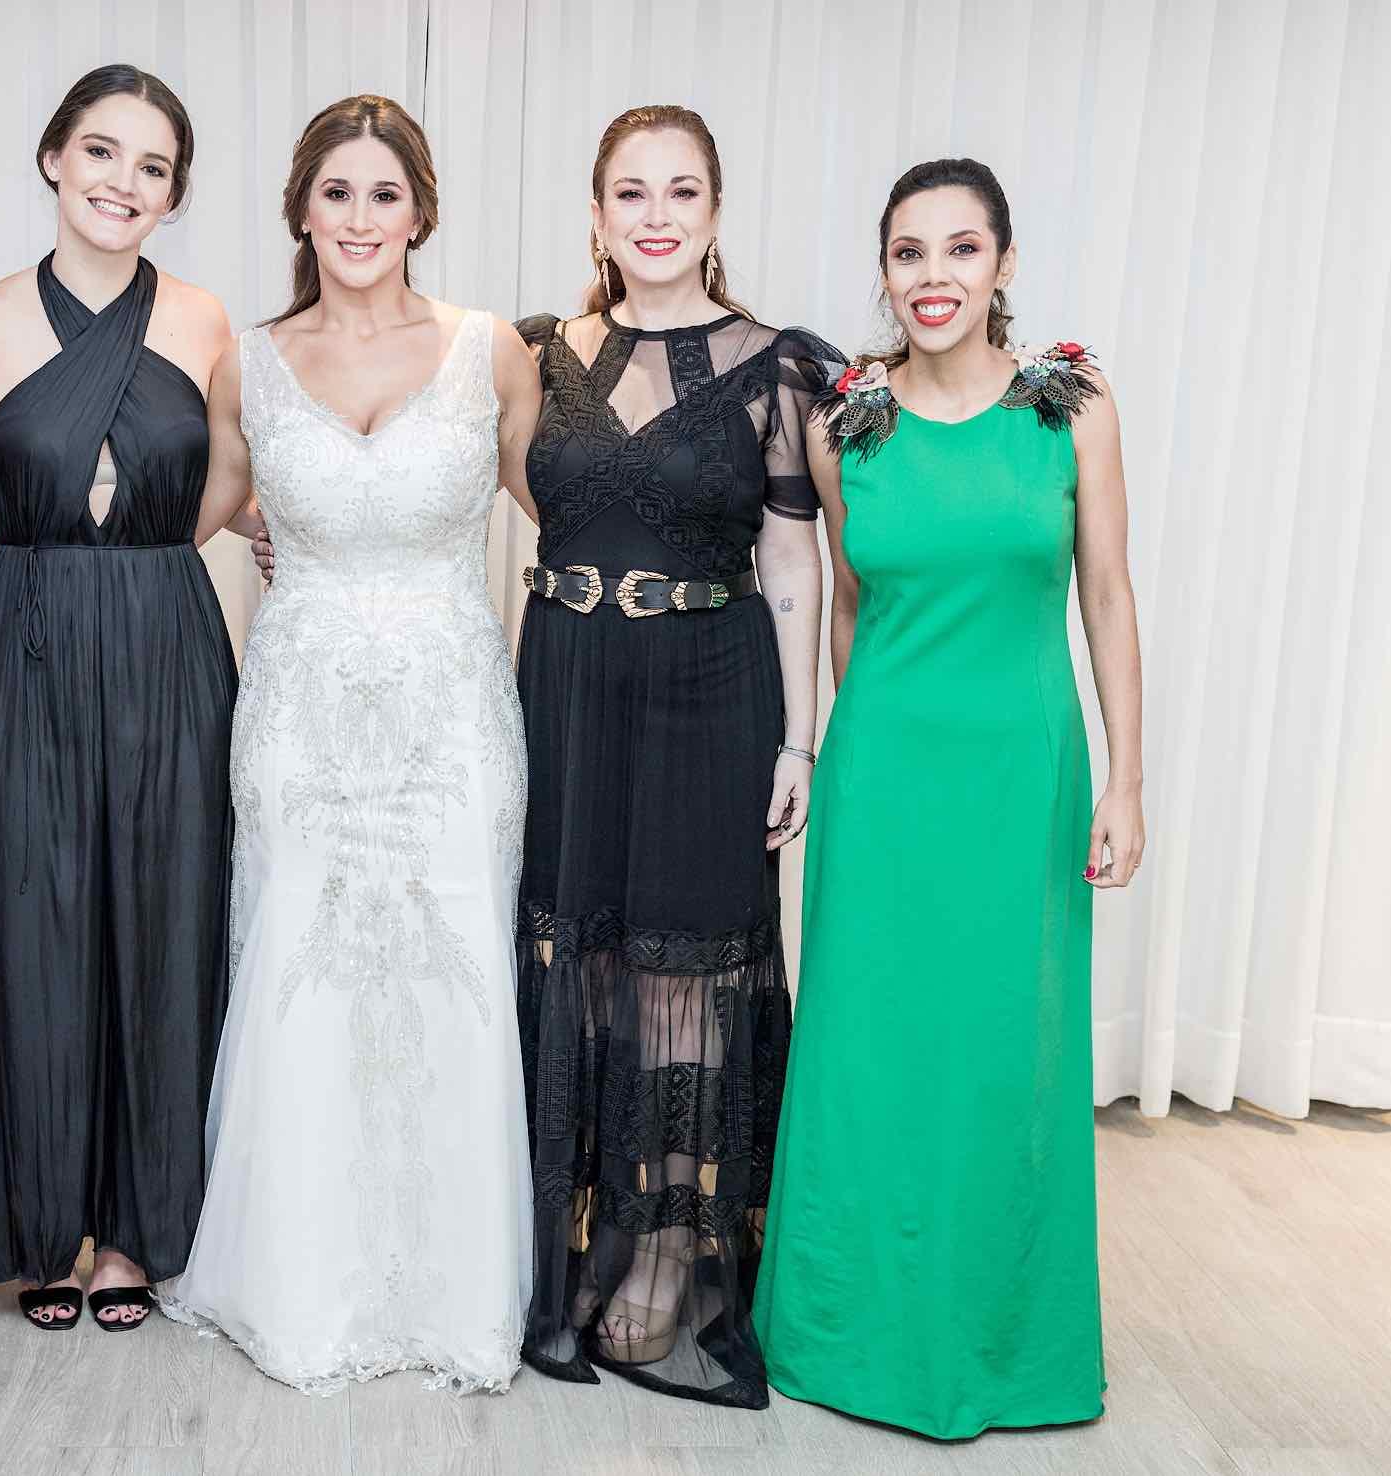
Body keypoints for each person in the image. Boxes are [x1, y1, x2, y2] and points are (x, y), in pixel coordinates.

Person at [155, 94, 543, 1395]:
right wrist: (23, 557)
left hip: (451, 715)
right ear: (301, 210)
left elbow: (575, 507)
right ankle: (295, 1280)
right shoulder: (249, 365)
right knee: (302, 971)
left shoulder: (492, 353)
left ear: (420, 211)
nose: (361, 218)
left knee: (452, 971)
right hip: (300, 720)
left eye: (385, 194)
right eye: (337, 193)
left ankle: (452, 1291)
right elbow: (190, 513)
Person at [754, 157, 1145, 1439]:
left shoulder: (1072, 409)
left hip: (1022, 780)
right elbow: (850, 608)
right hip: (884, 782)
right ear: (883, 270)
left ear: (1003, 264)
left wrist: (1127, 779)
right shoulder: (844, 427)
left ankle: (1004, 1343)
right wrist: (848, 749)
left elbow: (1106, 597)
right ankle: (846, 1333)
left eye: (961, 249)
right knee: (868, 1054)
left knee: (1003, 1055)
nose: (933, 277)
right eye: (908, 253)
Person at [509, 105, 842, 1406]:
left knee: (678, 977)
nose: (655, 215)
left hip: (711, 688)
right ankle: (568, 1245)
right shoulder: (538, 353)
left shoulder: (777, 366)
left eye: (681, 191)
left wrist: (800, 739)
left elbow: (794, 562)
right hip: (566, 683)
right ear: (596, 214)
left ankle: (662, 1258)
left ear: (713, 212)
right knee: (577, 961)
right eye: (631, 192)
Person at [0, 64, 256, 1334]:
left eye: (153, 166)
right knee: (27, 926)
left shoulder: (209, 322)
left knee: (168, 921)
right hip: (28, 645)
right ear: (54, 158)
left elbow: (229, 486)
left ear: (173, 195)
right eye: (103, 152)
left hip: (170, 639)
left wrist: (151, 541)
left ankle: (138, 1231)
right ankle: (35, 1228)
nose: (124, 182)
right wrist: (27, 534)